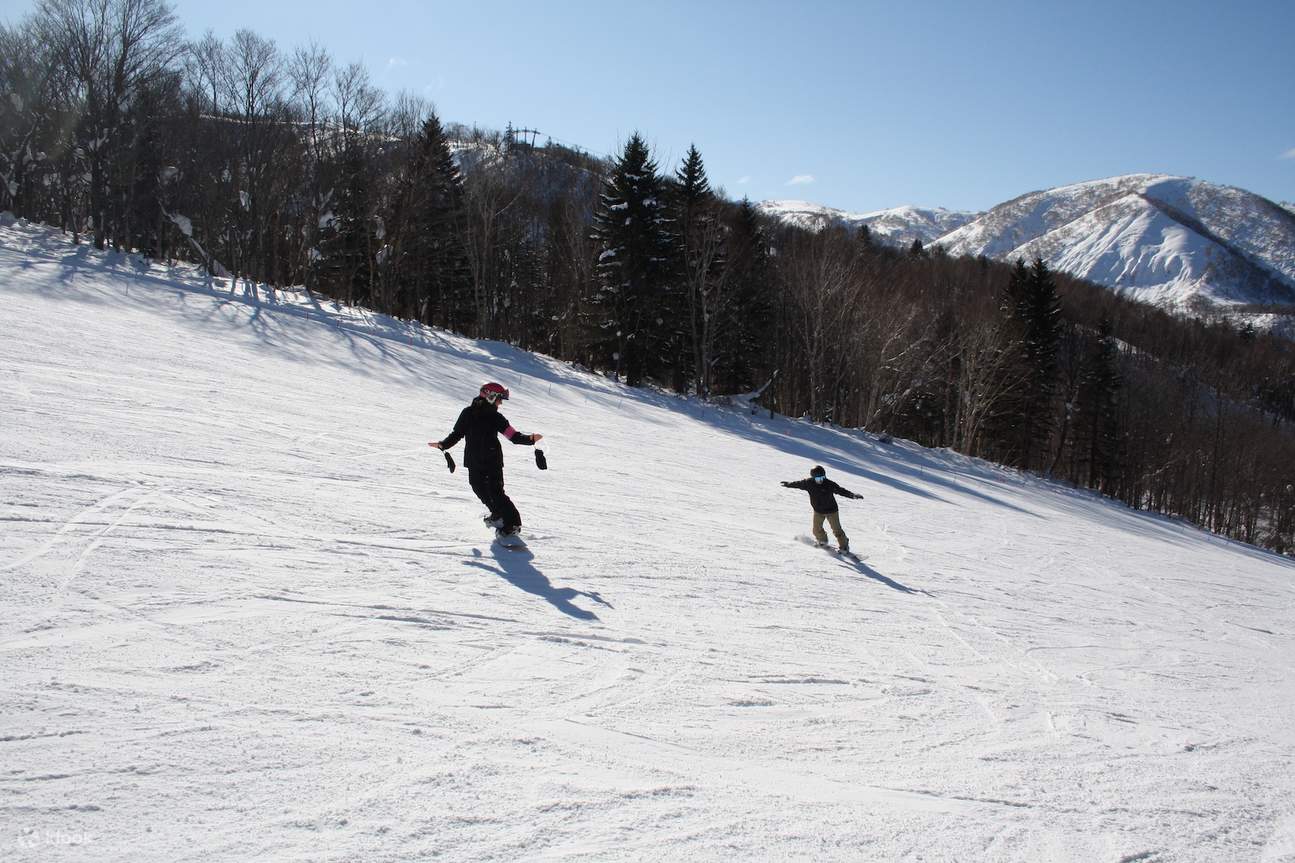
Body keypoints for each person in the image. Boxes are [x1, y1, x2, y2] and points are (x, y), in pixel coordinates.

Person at [429, 382, 543, 538]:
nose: (501, 403)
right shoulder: (468, 413)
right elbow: (457, 433)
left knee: (496, 492)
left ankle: (513, 524)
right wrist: (443, 445)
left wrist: (530, 439)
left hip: (492, 461)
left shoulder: (496, 417)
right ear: (490, 396)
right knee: (478, 488)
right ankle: (497, 514)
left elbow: (513, 436)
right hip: (473, 460)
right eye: (499, 399)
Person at [781, 465, 861, 552]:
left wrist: (852, 495)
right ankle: (822, 541)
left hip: (831, 511)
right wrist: (788, 484)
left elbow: (841, 491)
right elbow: (798, 484)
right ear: (813, 478)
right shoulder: (808, 483)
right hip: (818, 511)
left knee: (837, 530)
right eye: (818, 479)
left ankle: (844, 546)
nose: (821, 481)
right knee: (816, 529)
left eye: (823, 478)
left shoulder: (829, 484)